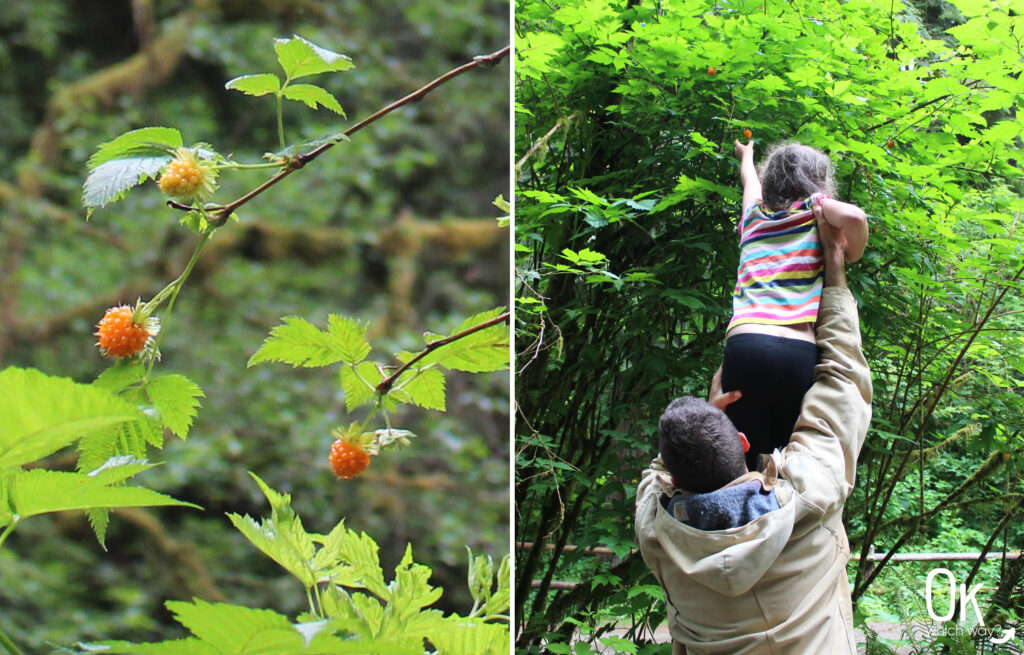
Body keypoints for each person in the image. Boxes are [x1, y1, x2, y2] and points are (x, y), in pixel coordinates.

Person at [634, 210, 873, 654]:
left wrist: (704, 419)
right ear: (742, 443)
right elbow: (843, 383)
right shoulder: (808, 499)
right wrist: (835, 269)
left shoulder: (656, 532)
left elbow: (656, 478)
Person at [723, 139, 868, 469]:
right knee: (790, 467)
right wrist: (850, 251)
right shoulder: (815, 208)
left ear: (770, 181)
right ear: (816, 181)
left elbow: (749, 181)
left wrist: (746, 154)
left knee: (739, 465)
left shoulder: (752, 218)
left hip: (745, 346)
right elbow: (856, 218)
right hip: (795, 351)